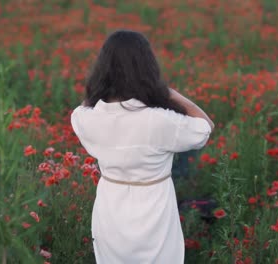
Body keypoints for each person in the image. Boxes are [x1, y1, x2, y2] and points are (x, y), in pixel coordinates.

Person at [70, 29, 214, 264]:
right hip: (154, 208)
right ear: (148, 68)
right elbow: (205, 126)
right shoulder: (160, 120)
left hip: (110, 206)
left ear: (103, 69)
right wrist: (168, 92)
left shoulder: (89, 118)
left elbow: (79, 111)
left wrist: (100, 88)